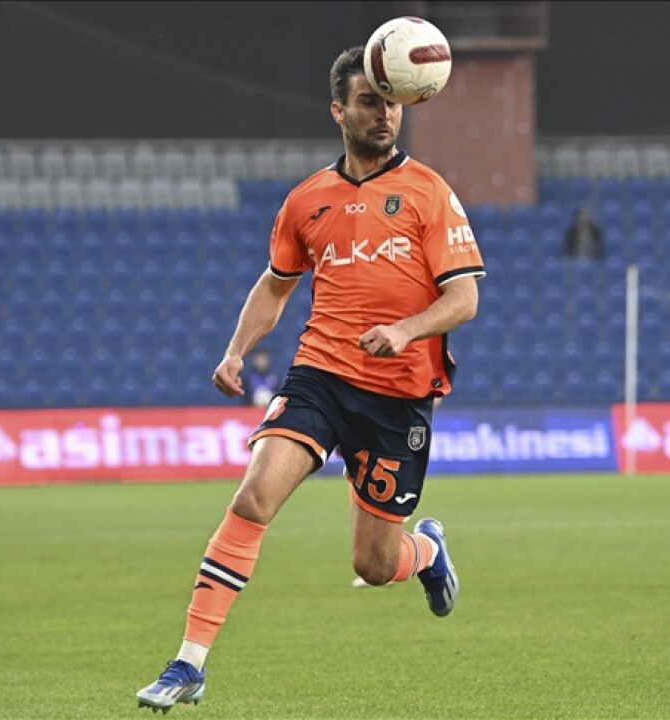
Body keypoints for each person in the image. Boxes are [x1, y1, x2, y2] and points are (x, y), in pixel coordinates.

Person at [136, 44, 484, 713]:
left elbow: (464, 298)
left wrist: (406, 330)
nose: (384, 114)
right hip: (320, 374)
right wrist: (236, 351)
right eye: (369, 101)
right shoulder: (307, 200)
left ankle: (426, 553)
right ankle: (188, 664)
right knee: (253, 498)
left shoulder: (429, 192)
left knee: (373, 565)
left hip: (398, 396)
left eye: (391, 102)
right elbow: (276, 285)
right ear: (338, 111)